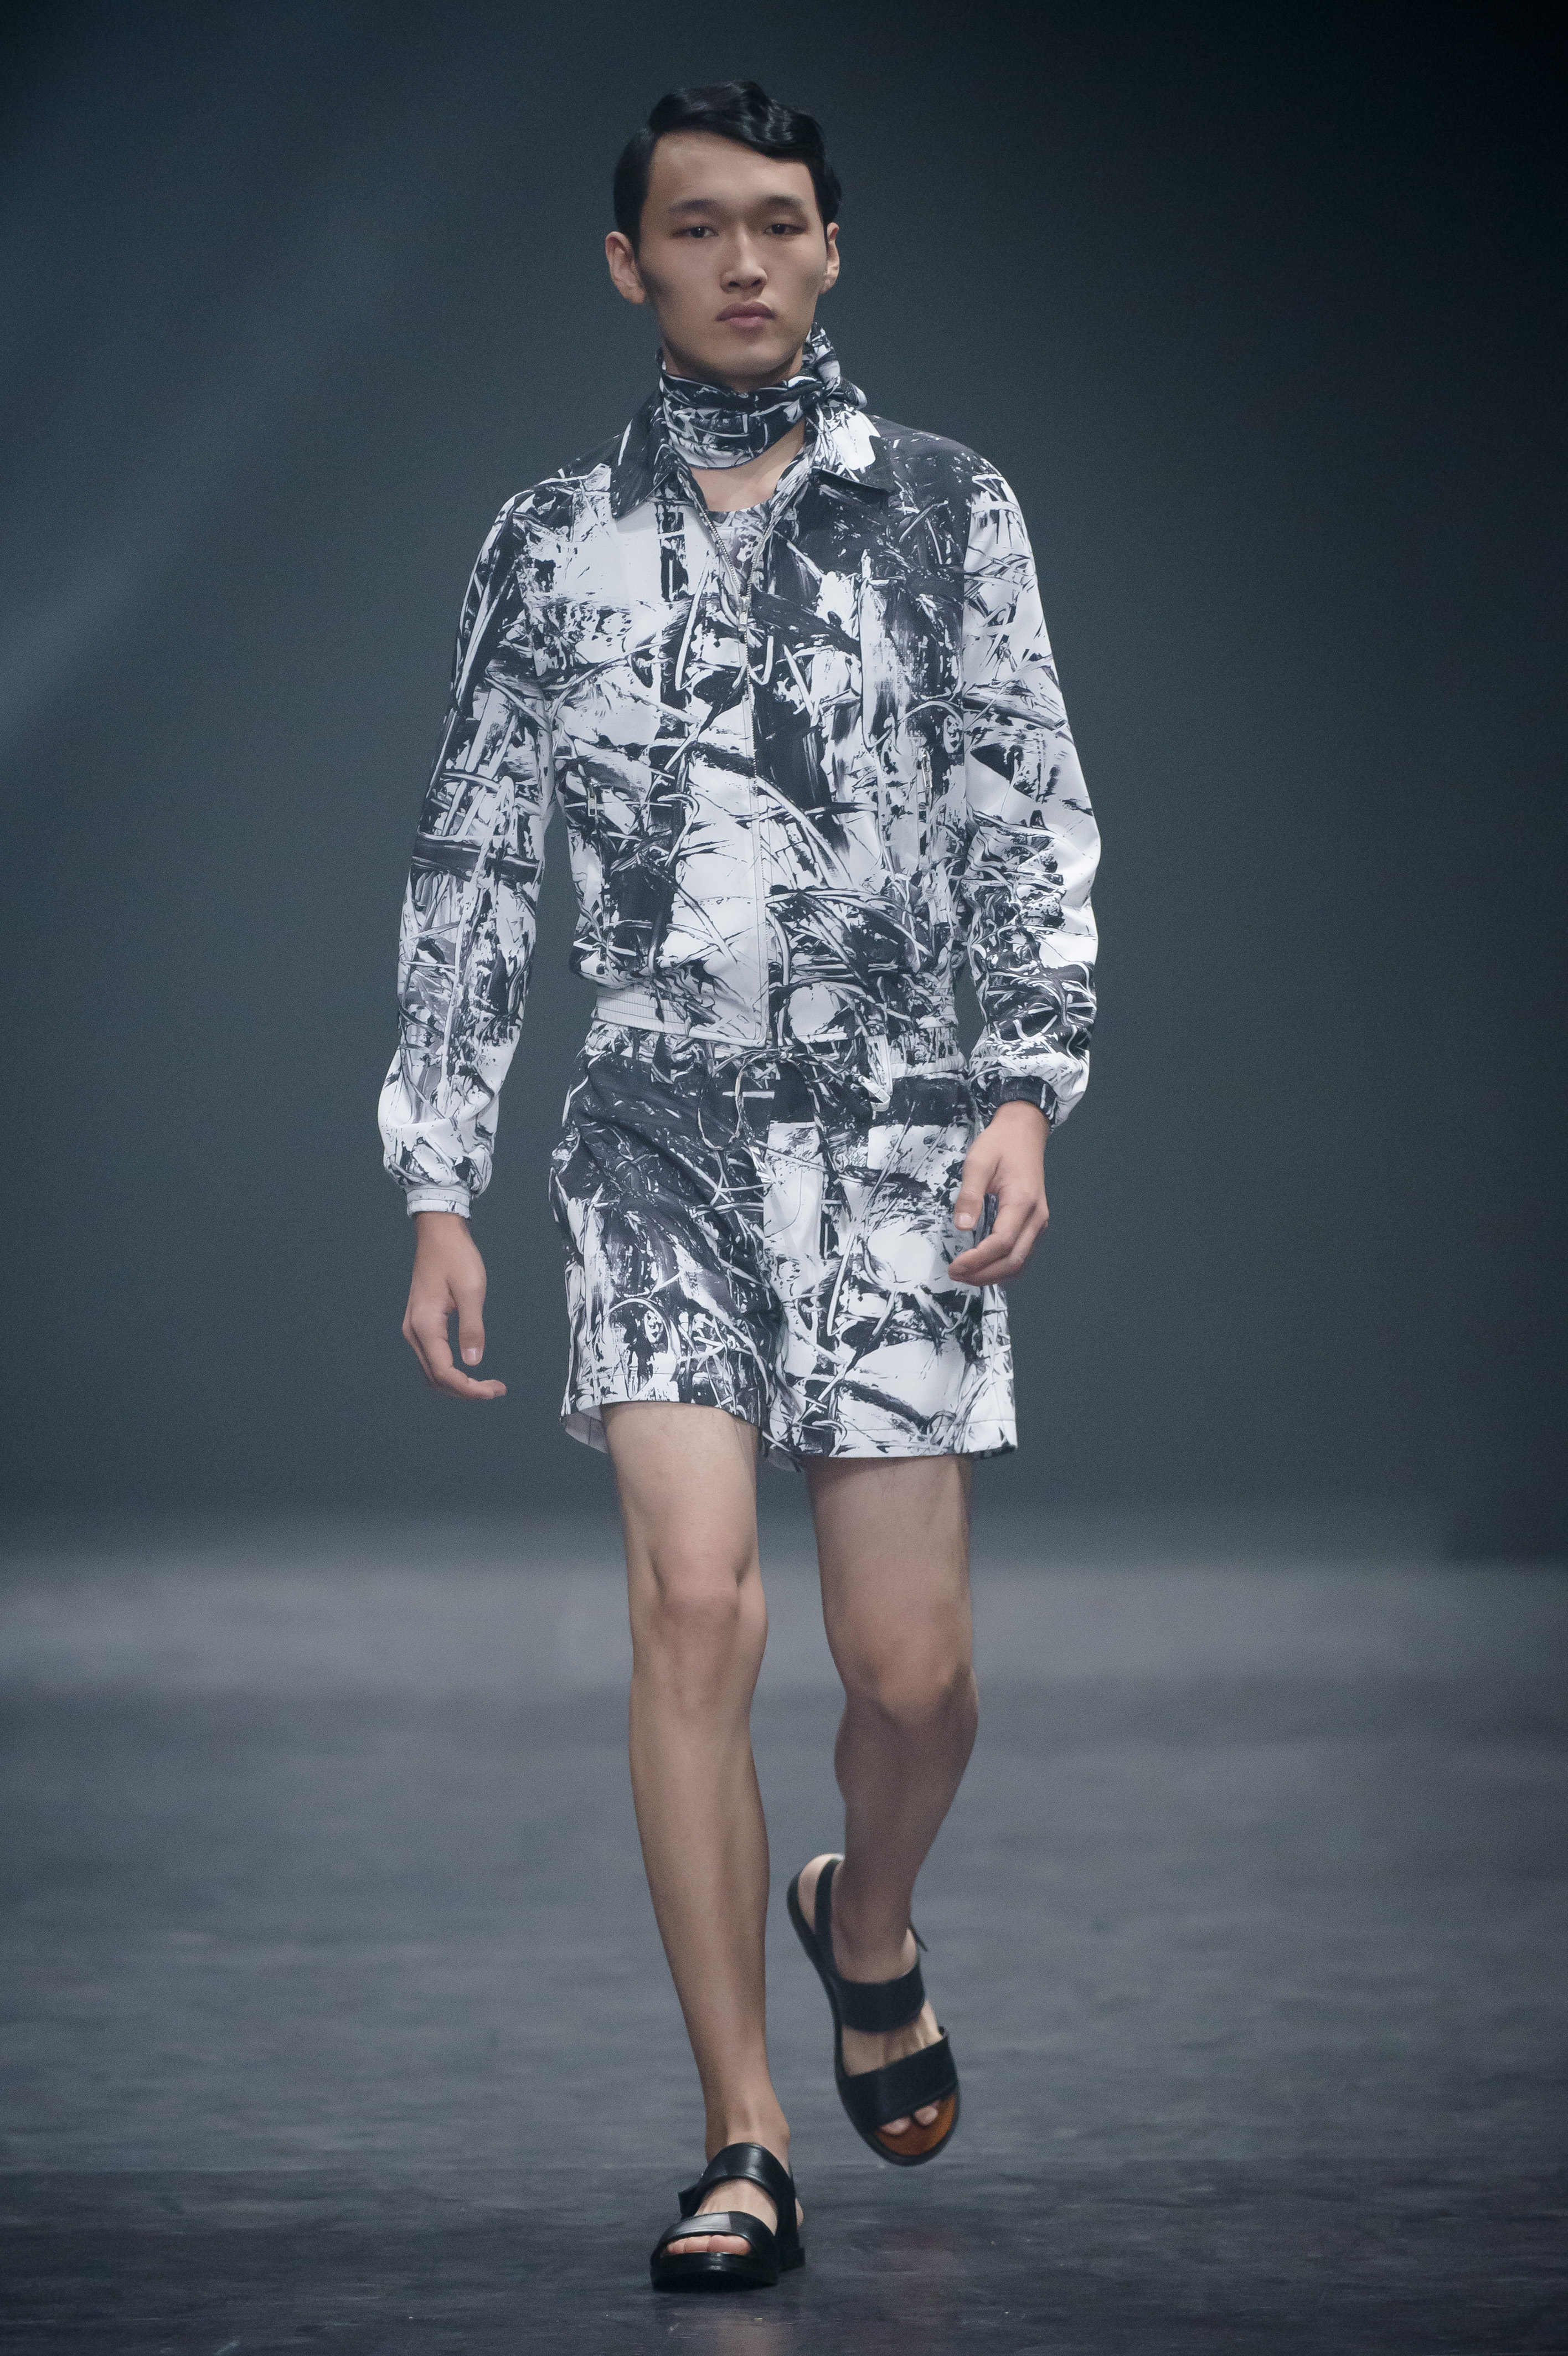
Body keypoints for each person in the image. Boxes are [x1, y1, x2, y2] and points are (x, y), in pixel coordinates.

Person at [378, 79, 1100, 2293]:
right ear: (633, 265)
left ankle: (863, 1917)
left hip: (894, 1130)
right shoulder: (549, 542)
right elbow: (475, 861)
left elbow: (1024, 798)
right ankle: (744, 2135)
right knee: (696, 1612)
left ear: (832, 244)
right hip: (657, 1132)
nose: (744, 260)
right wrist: (438, 1176)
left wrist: (1025, 1085)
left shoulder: (948, 508)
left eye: (778, 221)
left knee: (915, 1672)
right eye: (697, 226)